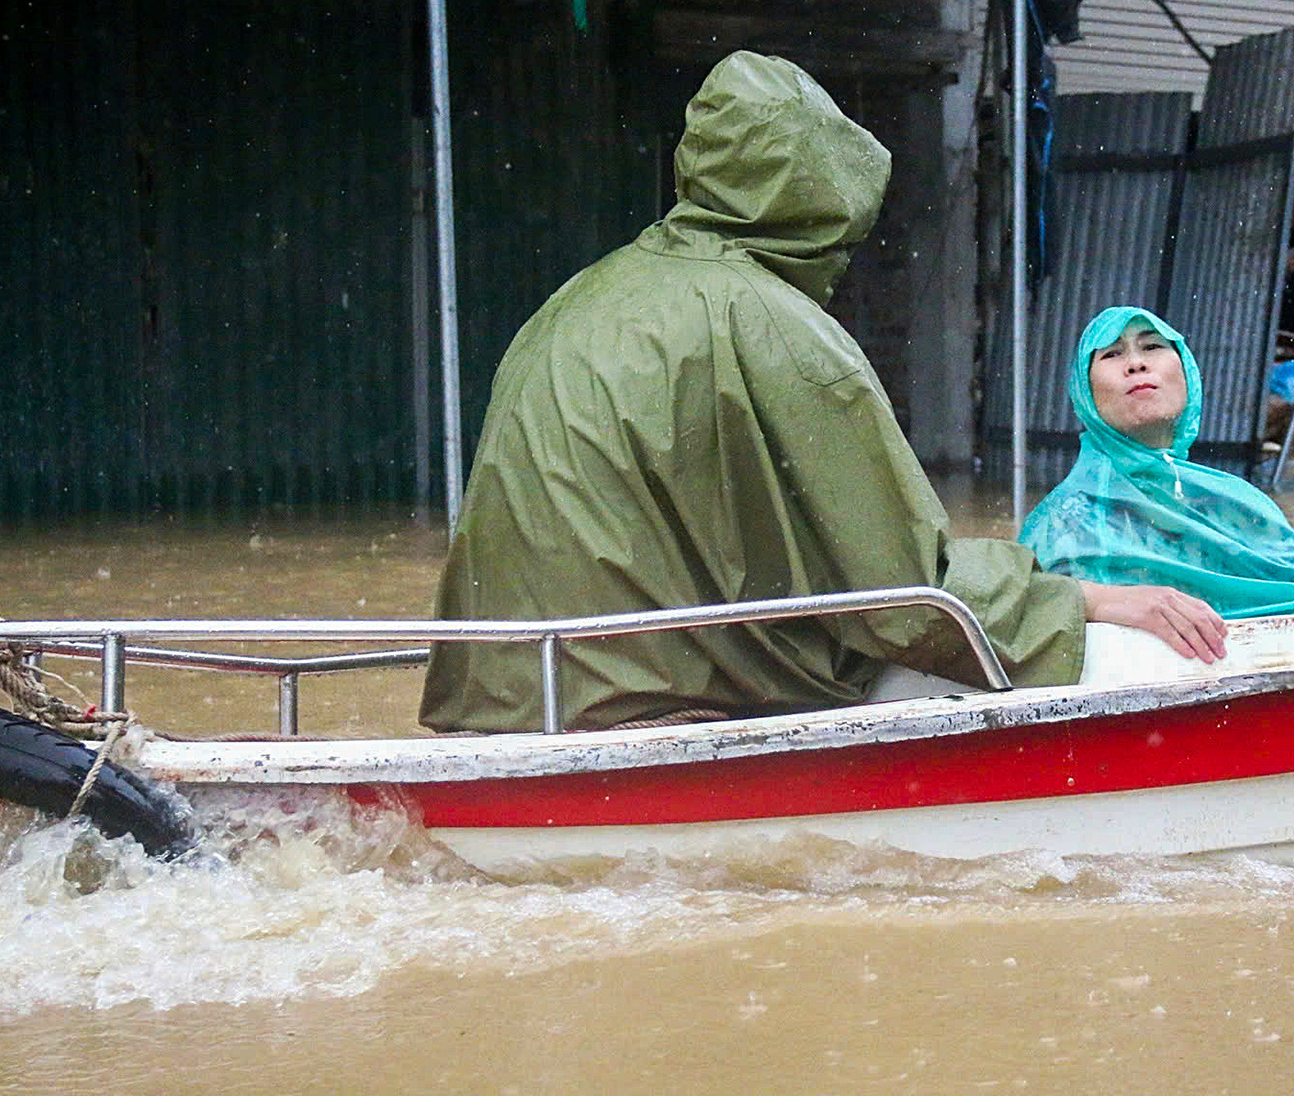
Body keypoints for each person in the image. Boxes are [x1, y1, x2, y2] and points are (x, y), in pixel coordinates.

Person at [421, 52, 1225, 734]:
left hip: (502, 700)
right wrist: (1089, 601)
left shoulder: (581, 295)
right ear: (825, 198)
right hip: (638, 706)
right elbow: (908, 590)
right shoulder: (772, 323)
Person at [1019, 306, 1294, 618]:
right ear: (1085, 393)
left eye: (1152, 347)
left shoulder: (1242, 501)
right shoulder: (1059, 524)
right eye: (1112, 353)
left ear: (1188, 376)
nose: (1136, 364)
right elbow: (1027, 617)